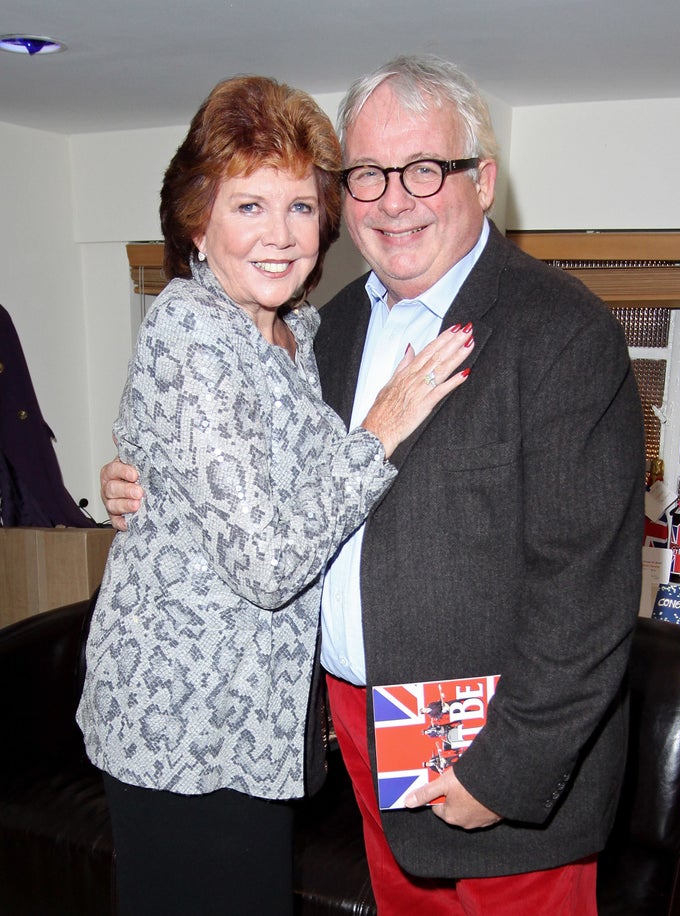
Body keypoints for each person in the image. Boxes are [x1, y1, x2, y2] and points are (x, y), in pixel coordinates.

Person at [101, 55, 645, 915]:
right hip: (349, 731)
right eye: (366, 175)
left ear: (484, 181)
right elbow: (253, 472)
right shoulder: (332, 328)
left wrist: (508, 769)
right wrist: (146, 481)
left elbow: (586, 590)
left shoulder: (561, 330)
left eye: (425, 169)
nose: (393, 199)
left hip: (488, 743)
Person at [79, 72, 473, 916]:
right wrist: (382, 426)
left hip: (255, 723)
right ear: (197, 221)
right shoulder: (191, 324)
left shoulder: (305, 334)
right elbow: (266, 563)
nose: (281, 234)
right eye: (248, 206)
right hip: (180, 716)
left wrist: (143, 484)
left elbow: (236, 481)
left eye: (299, 206)